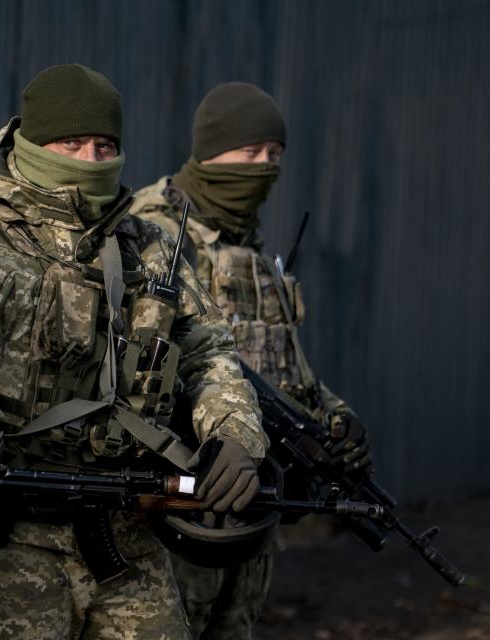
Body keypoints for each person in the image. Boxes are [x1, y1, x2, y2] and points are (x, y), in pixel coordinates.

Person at [0, 65, 269, 640]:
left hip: (129, 534)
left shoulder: (151, 249)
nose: (89, 158)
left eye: (104, 145)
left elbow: (210, 350)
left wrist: (235, 434)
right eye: (71, 143)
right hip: (6, 542)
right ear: (32, 144)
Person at [130, 82, 374, 640]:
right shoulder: (153, 234)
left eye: (275, 156)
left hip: (253, 501)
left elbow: (286, 367)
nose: (263, 168)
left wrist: (335, 421)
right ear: (211, 151)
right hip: (182, 498)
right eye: (250, 153)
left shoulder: (254, 251)